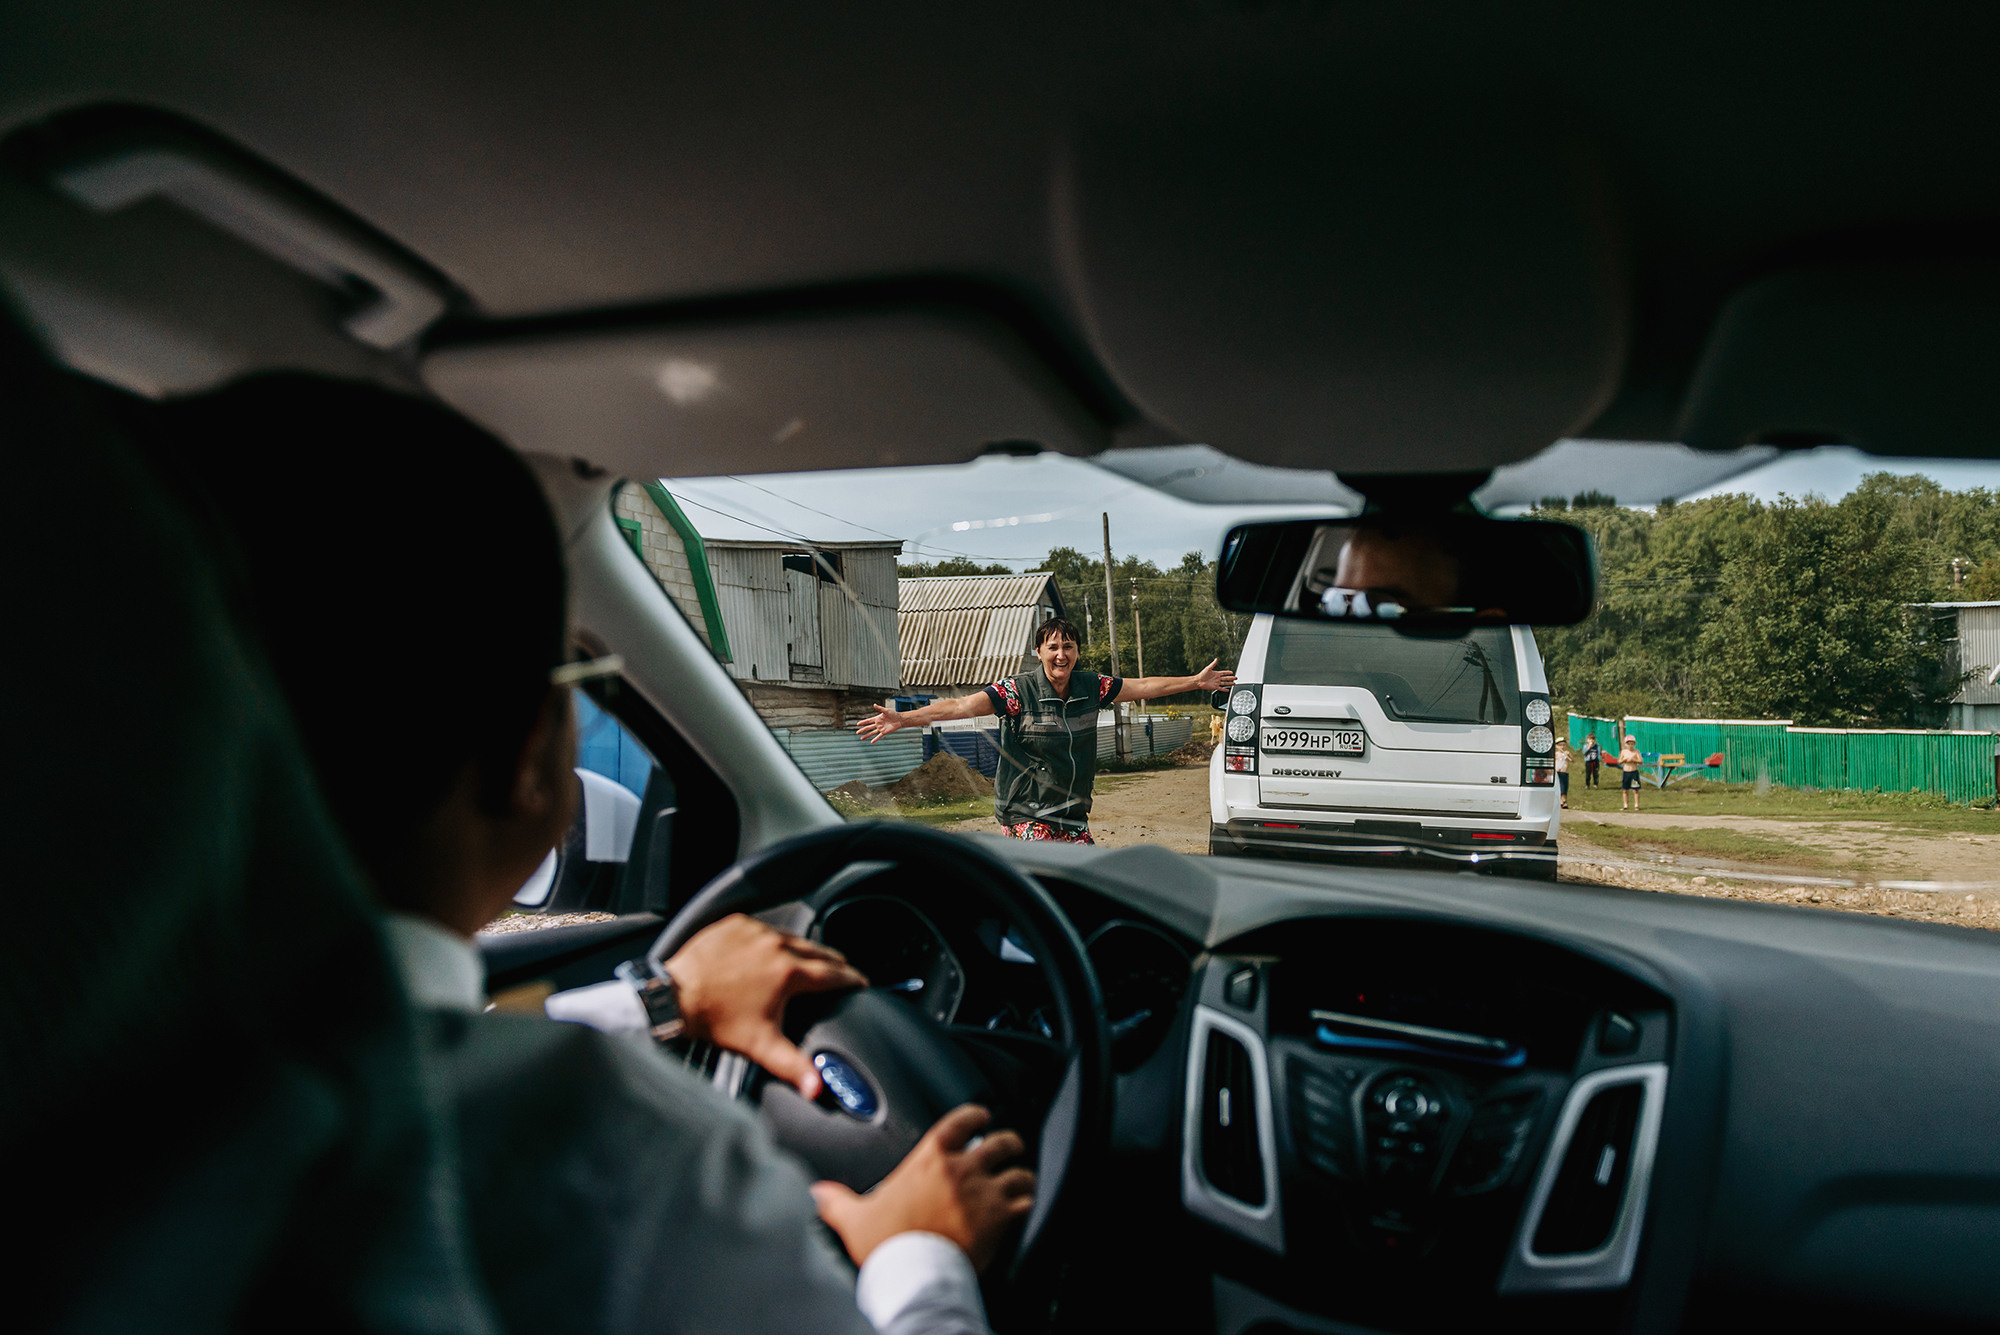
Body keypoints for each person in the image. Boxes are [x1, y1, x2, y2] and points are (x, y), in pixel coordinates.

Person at [155, 374, 1025, 1335]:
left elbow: (409, 1060)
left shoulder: (90, 1080)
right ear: (531, 751)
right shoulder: (630, 1160)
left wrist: (660, 998)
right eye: (579, 671)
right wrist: (920, 1254)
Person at [857, 617, 1235, 842]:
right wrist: (902, 718)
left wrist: (1195, 682)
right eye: (1052, 646)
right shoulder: (1016, 692)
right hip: (1027, 811)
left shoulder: (1093, 687)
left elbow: (1145, 686)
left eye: (1068, 646)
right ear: (1038, 652)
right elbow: (959, 706)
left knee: (1080, 885)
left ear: (1077, 653)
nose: (1061, 654)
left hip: (1071, 811)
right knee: (1051, 884)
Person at [1618, 733, 1645, 811]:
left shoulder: (1636, 751)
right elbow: (1619, 761)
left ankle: (1636, 805)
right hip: (1626, 772)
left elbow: (1640, 761)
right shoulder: (1623, 752)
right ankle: (1625, 805)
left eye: (1632, 744)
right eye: (1629, 744)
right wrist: (1625, 760)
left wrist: (1633, 760)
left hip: (1634, 772)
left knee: (1635, 789)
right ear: (1626, 744)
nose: (1630, 745)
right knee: (1625, 789)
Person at [1553, 734, 1571, 809]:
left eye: (1564, 745)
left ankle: (1564, 801)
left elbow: (1573, 760)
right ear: (1557, 746)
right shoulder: (1556, 754)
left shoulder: (1566, 754)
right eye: (1560, 745)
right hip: (1558, 772)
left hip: (1565, 772)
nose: (1562, 747)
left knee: (1565, 787)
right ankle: (1562, 801)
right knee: (1560, 787)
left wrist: (1569, 755)